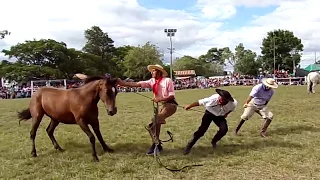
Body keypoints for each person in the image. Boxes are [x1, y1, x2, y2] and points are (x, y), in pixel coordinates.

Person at [117, 64, 178, 155]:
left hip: (171, 105)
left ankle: (156, 145)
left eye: (154, 70)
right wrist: (123, 83)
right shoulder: (152, 81)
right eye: (152, 71)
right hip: (163, 105)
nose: (152, 72)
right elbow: (137, 84)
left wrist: (159, 99)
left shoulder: (167, 80)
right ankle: (157, 144)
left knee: (155, 121)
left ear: (159, 72)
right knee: (153, 125)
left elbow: (171, 95)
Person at [183, 89, 238, 155]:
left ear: (228, 100)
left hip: (219, 116)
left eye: (224, 100)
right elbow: (199, 102)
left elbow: (232, 109)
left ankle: (214, 141)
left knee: (224, 129)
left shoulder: (233, 103)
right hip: (209, 114)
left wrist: (226, 114)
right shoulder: (212, 99)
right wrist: (189, 106)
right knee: (202, 130)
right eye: (221, 99)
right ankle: (190, 145)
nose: (221, 101)